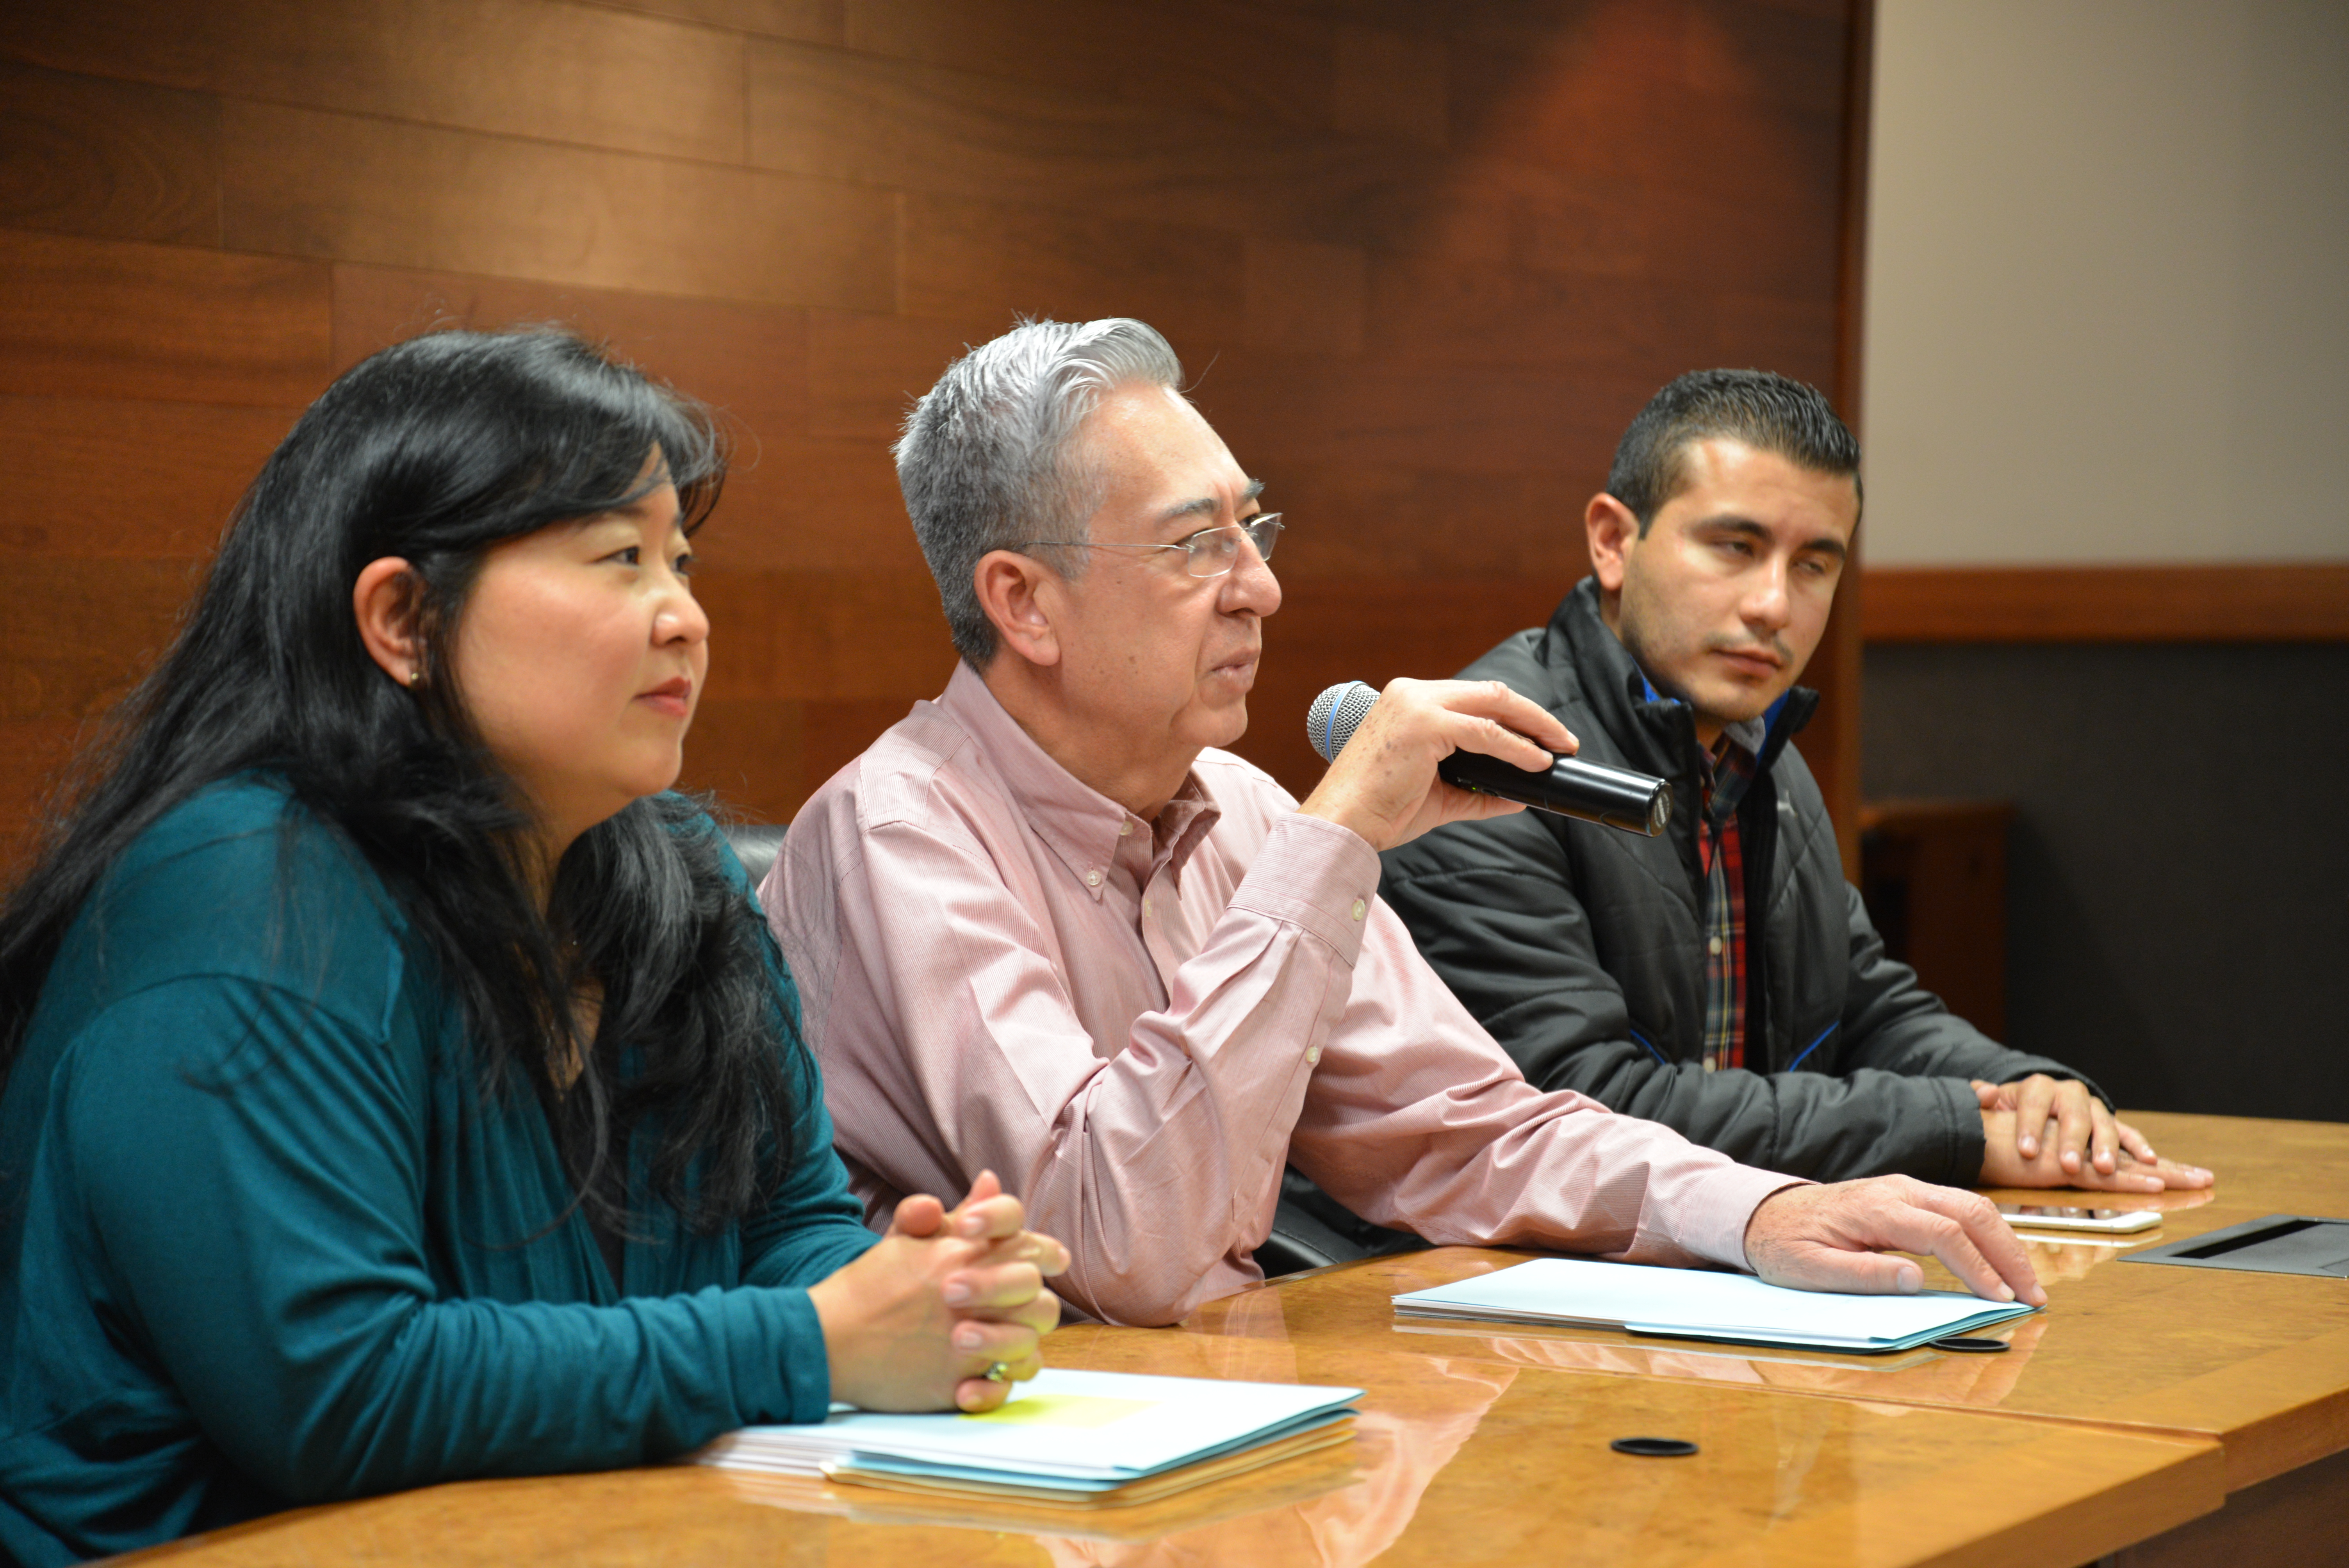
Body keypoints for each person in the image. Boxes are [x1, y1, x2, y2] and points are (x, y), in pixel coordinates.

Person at [0, 330, 1065, 1566]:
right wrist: (817, 1343)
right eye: (620, 559)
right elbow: (343, 1392)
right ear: (403, 618)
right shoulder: (245, 895)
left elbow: (786, 1229)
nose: (685, 617)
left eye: (682, 559)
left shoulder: (675, 871)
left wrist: (923, 1290)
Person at [763, 317, 2044, 1329]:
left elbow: (1467, 1126)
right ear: (1025, 605)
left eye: (1251, 527)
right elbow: (1116, 1244)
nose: (1259, 586)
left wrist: (1757, 1212)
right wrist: (1337, 843)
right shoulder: (899, 835)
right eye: (1195, 545)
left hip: (1227, 1411)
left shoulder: (1241, 810)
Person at [1378, 369, 2214, 1192]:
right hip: (1464, 1291)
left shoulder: (1754, 747)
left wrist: (2030, 1093)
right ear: (1610, 541)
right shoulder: (1490, 767)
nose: (1773, 605)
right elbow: (1580, 1110)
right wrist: (1953, 1131)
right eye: (1733, 548)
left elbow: (1860, 1010)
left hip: (1702, 1254)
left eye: (1813, 565)